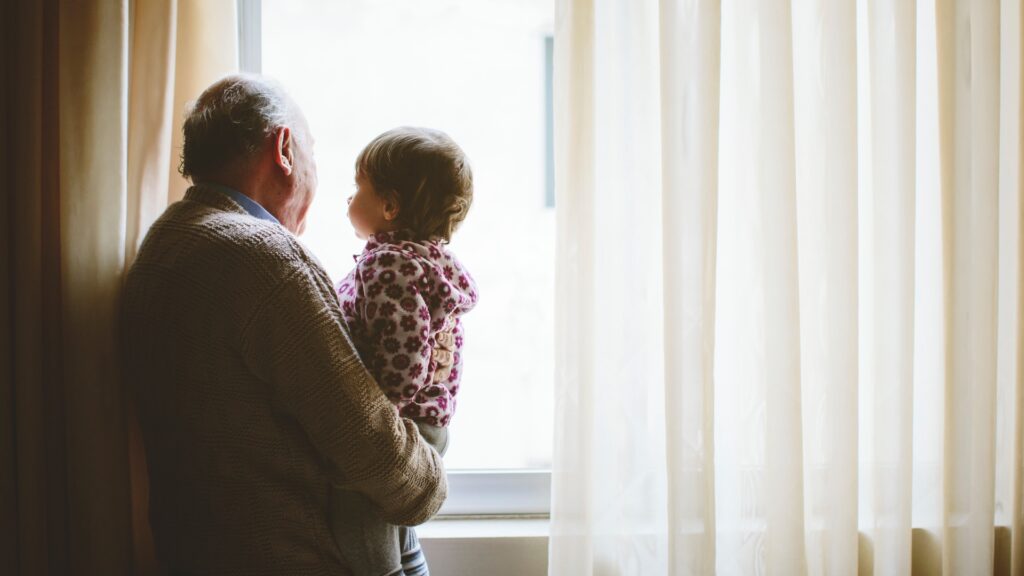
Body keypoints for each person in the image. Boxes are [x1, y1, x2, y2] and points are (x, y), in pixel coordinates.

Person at [122, 75, 447, 576]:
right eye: (312, 152)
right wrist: (431, 479)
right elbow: (375, 453)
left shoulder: (162, 244)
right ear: (284, 150)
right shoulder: (263, 260)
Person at [332, 127, 478, 576]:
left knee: (354, 503)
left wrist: (374, 425)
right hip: (429, 422)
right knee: (396, 529)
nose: (349, 199)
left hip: (403, 421)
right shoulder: (427, 261)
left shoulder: (388, 266)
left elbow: (405, 356)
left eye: (359, 188)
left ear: (390, 207)